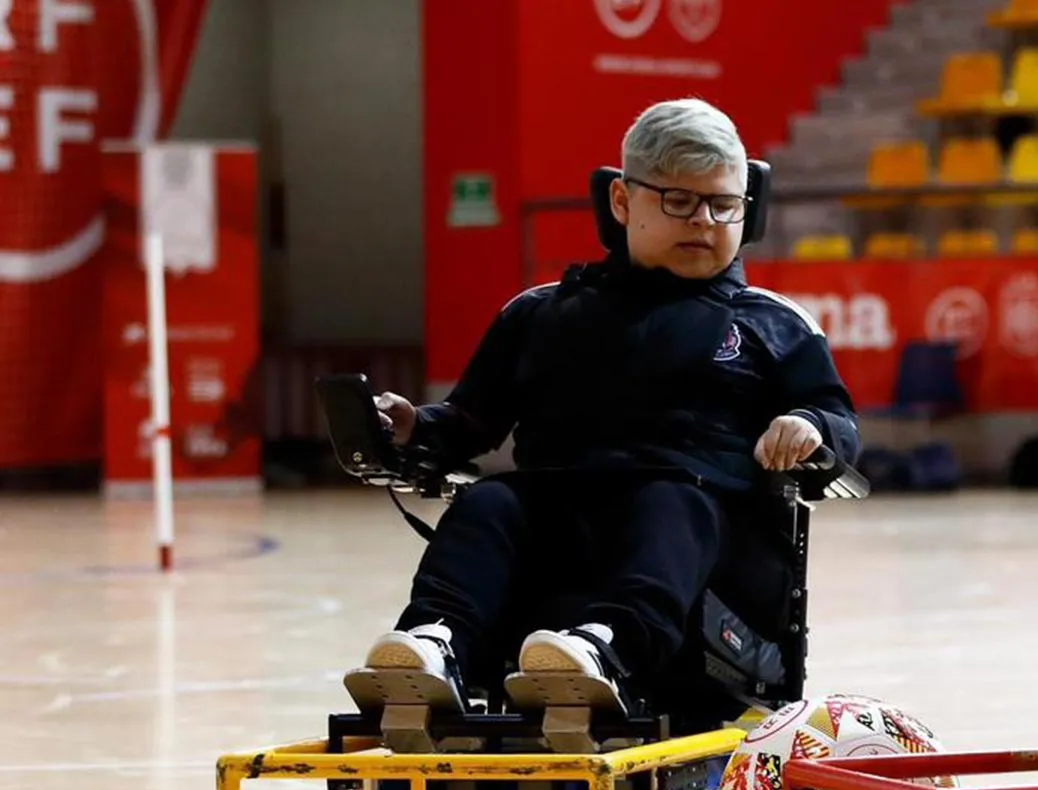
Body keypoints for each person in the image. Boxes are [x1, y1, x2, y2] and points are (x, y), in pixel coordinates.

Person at [361, 98, 858, 707]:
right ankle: (436, 643)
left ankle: (606, 650)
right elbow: (467, 423)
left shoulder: (775, 324)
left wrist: (807, 424)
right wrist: (413, 427)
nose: (704, 221)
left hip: (702, 551)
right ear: (622, 201)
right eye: (679, 201)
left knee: (672, 502)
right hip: (562, 518)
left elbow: (838, 423)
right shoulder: (540, 314)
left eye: (724, 205)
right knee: (488, 502)